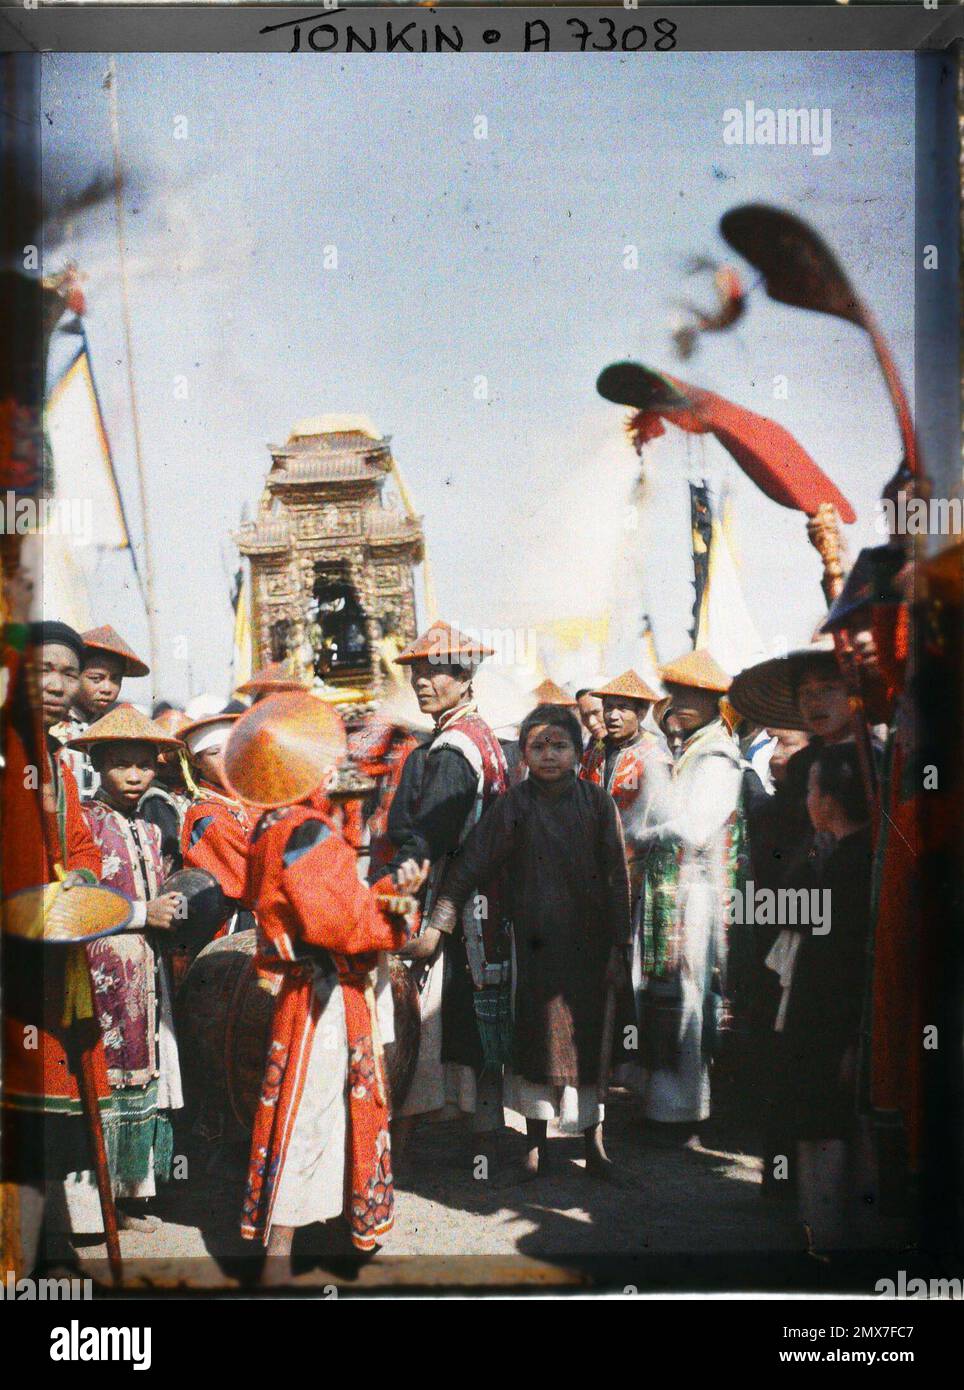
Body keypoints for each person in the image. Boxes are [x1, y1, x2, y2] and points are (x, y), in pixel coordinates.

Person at [234, 698, 428, 1284]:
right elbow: (346, 925)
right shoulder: (305, 833)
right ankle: (281, 1257)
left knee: (311, 1110)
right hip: (327, 995)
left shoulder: (273, 824)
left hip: (305, 991)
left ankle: (315, 1239)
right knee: (314, 1114)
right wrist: (400, 895)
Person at [428, 704, 631, 1183]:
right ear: (524, 755)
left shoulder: (598, 804)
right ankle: (535, 1144)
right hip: (534, 948)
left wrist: (620, 947)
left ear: (578, 754)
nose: (548, 756)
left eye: (559, 746)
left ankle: (594, 1144)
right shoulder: (515, 805)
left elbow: (617, 880)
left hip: (590, 946)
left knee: (587, 1041)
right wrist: (442, 916)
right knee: (538, 1043)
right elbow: (472, 861)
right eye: (538, 747)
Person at [0, 608, 109, 1274]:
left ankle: (49, 1258)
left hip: (48, 958)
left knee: (43, 1117)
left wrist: (80, 882)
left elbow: (81, 847)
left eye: (70, 672)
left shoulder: (59, 763)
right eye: (43, 668)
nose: (58, 683)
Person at [386, 621, 509, 1161]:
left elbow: (433, 833)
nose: (422, 681)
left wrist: (416, 901)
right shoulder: (478, 735)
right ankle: (478, 1134)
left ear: (465, 679)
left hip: (457, 899)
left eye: (436, 671)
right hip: (485, 899)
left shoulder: (455, 748)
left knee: (429, 1012)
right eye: (417, 672)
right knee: (471, 1011)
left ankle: (402, 1142)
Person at [65, 706, 186, 1233]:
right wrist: (141, 915)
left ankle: (132, 1195)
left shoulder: (152, 830)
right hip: (102, 969)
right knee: (108, 1074)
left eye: (145, 764)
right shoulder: (86, 824)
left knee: (144, 1069)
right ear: (98, 764)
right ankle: (98, 1205)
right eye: (122, 765)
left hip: (146, 969)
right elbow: (79, 899)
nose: (135, 776)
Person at [629, 649, 744, 1134]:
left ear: (717, 701)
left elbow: (697, 825)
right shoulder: (694, 746)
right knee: (668, 990)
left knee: (688, 992)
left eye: (695, 694)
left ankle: (682, 1111)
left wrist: (646, 831)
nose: (682, 701)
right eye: (677, 692)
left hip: (695, 889)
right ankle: (664, 1104)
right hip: (673, 886)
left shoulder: (717, 754)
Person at [765, 744, 874, 1254]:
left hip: (828, 1022)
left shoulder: (850, 867)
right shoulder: (844, 855)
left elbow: (780, 915)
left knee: (823, 1135)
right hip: (831, 1020)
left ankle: (824, 1242)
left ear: (828, 798)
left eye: (811, 789)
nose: (807, 799)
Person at [580, 670, 671, 1078]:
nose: (613, 715)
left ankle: (633, 1064)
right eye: (609, 707)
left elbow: (664, 821)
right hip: (596, 877)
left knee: (632, 970)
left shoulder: (655, 755)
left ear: (641, 711)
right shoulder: (595, 750)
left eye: (623, 708)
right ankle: (608, 1057)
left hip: (640, 875)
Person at [179, 712, 254, 941]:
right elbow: (244, 882)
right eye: (215, 752)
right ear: (196, 761)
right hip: (235, 923)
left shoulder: (241, 802)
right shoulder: (208, 816)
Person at [54, 625, 150, 800]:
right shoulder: (50, 726)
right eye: (96, 679)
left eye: (115, 679)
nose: (107, 688)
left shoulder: (118, 730)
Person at [137, 707, 192, 875]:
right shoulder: (156, 799)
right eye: (160, 751)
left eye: (170, 751)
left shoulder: (187, 792)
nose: (162, 758)